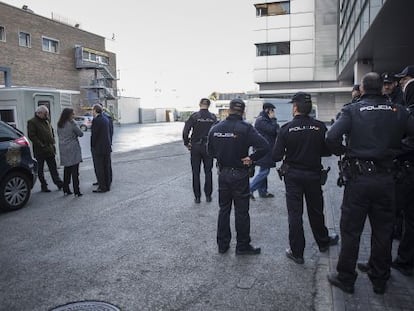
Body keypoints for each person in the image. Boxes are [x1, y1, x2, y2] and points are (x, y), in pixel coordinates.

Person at [326, 72, 414, 295]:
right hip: (387, 179)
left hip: (359, 180)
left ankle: (346, 277)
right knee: (383, 230)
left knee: (351, 230)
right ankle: (379, 278)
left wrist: (347, 152)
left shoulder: (353, 110)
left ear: (363, 88)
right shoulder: (398, 110)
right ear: (383, 88)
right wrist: (395, 151)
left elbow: (331, 138)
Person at [272, 92, 338, 265]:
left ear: (295, 108)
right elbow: (327, 151)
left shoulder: (286, 128)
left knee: (295, 214)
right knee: (316, 210)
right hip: (314, 175)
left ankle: (297, 252)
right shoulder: (319, 127)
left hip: (293, 176)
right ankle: (323, 242)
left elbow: (277, 156)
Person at [207, 98, 269, 255]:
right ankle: (242, 246)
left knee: (224, 209)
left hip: (223, 173)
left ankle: (222, 245)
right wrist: (252, 158)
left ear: (229, 110)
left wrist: (222, 156)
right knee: (241, 212)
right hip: (240, 174)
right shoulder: (246, 128)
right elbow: (264, 146)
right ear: (243, 111)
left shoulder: (216, 128)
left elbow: (211, 152)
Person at [391, 78, 414, 276]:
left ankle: (380, 264)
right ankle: (404, 260)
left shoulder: (407, 112)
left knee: (388, 215)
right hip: (405, 168)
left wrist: (390, 150)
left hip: (406, 170)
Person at [183, 98, 217, 203]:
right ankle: (208, 196)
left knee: (196, 173)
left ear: (199, 104)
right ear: (209, 105)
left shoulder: (194, 116)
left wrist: (186, 142)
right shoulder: (213, 117)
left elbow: (185, 131)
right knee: (208, 172)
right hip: (208, 147)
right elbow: (216, 132)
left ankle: (197, 197)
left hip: (195, 147)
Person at [27, 105, 63, 192]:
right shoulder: (32, 122)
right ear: (39, 113)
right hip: (40, 150)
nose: (47, 115)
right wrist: (41, 144)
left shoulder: (46, 120)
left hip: (49, 148)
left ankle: (59, 183)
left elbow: (51, 130)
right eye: (45, 113)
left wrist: (52, 139)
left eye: (47, 113)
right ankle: (44, 185)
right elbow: (32, 135)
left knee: (53, 168)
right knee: (40, 169)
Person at [249, 102, 279, 199]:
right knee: (264, 171)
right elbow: (272, 130)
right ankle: (249, 189)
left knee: (264, 170)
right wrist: (274, 119)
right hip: (264, 149)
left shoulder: (265, 119)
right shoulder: (261, 120)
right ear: (267, 110)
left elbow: (276, 131)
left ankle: (263, 192)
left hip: (267, 148)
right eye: (272, 110)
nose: (273, 112)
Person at [57, 108, 84, 196]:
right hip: (73, 149)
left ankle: (66, 188)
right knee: (75, 171)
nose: (74, 115)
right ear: (69, 115)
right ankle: (77, 190)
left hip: (63, 149)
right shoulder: (72, 124)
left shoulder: (59, 124)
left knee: (67, 170)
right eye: (73, 114)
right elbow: (80, 134)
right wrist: (76, 125)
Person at [91, 104, 112, 193]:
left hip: (98, 148)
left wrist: (92, 145)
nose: (92, 112)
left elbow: (94, 135)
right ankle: (107, 185)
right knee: (106, 166)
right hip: (107, 147)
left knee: (99, 168)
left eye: (92, 110)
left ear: (95, 110)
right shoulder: (106, 119)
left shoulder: (96, 120)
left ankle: (102, 187)